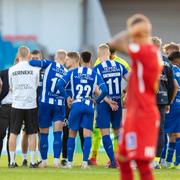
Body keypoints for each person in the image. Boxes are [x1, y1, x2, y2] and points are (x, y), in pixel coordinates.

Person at [109, 14, 163, 180]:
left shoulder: (147, 51)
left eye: (133, 33)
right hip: (134, 114)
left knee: (142, 164)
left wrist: (132, 30)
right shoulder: (143, 54)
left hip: (144, 114)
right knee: (123, 159)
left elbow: (114, 43)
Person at [56, 51, 117, 169]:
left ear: (80, 61)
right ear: (90, 61)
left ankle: (69, 162)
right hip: (89, 106)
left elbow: (59, 85)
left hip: (76, 104)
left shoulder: (72, 72)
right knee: (87, 135)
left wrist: (67, 97)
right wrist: (97, 101)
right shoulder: (94, 74)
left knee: (72, 134)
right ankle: (84, 163)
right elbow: (104, 90)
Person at [89, 45, 130, 166]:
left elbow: (97, 90)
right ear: (109, 53)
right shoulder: (119, 65)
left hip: (103, 103)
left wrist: (107, 100)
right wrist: (123, 93)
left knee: (105, 133)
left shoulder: (97, 69)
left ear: (98, 53)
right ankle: (120, 159)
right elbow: (132, 81)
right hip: (117, 102)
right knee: (118, 132)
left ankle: (113, 161)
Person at [29, 49, 67, 168]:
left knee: (44, 133)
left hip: (45, 103)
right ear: (65, 59)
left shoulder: (49, 64)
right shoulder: (66, 71)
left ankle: (44, 161)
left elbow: (33, 63)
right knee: (57, 134)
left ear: (56, 57)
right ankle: (56, 162)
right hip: (60, 104)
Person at [8, 46, 39, 168]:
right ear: (29, 55)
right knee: (32, 133)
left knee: (13, 133)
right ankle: (32, 161)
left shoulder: (12, 69)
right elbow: (36, 85)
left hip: (17, 104)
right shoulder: (35, 69)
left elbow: (11, 87)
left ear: (18, 55)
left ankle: (11, 162)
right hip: (31, 104)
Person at [151, 37, 177, 169]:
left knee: (146, 130)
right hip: (163, 100)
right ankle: (156, 161)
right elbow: (172, 84)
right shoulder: (167, 61)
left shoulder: (146, 58)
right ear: (160, 47)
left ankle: (144, 159)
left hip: (148, 100)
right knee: (159, 131)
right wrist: (169, 102)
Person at [21, 50, 43, 166]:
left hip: (41, 107)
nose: (34, 60)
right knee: (25, 132)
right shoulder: (27, 71)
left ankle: (38, 158)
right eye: (32, 58)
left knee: (39, 133)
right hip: (28, 105)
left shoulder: (44, 72)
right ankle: (24, 158)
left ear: (41, 59)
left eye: (37, 58)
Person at [164, 51, 180, 169]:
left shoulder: (171, 69)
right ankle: (174, 161)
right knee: (176, 134)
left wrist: (168, 102)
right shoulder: (178, 70)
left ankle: (163, 160)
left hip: (172, 105)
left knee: (165, 133)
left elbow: (174, 86)